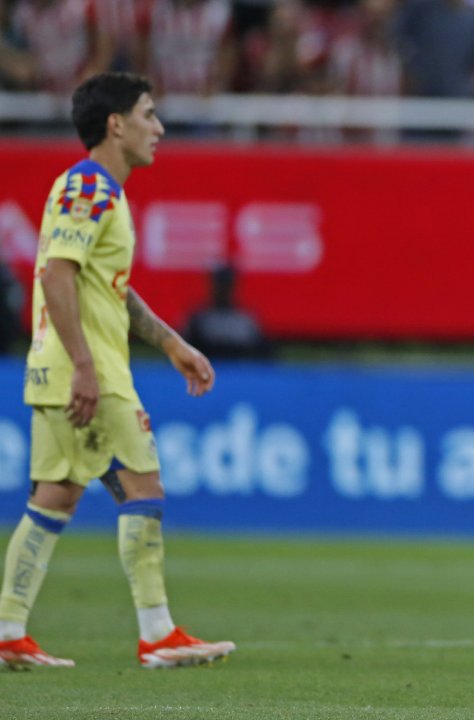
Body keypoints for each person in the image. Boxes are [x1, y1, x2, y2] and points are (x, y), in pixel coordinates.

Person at [0, 72, 235, 669]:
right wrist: (83, 365)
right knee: (144, 486)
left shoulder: (100, 192)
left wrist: (172, 342)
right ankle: (157, 633)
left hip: (61, 366)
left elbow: (110, 291)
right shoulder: (90, 187)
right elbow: (55, 274)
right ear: (116, 124)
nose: (158, 128)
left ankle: (8, 630)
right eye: (149, 115)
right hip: (88, 371)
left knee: (55, 497)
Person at [184, 265, 271, 360]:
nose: (223, 289)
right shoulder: (199, 318)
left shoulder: (246, 320)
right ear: (213, 285)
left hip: (240, 371)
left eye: (226, 285)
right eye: (220, 285)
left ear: (233, 286)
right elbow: (185, 351)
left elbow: (264, 356)